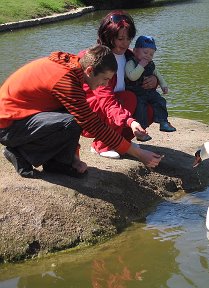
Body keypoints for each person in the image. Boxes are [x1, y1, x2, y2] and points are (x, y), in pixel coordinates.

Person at [0, 45, 162, 178]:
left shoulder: (76, 66)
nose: (105, 85)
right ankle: (21, 153)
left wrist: (74, 158)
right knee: (73, 121)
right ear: (90, 70)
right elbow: (92, 124)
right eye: (105, 79)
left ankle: (58, 162)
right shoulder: (66, 80)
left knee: (73, 118)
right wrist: (139, 154)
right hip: (8, 126)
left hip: (24, 117)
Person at [80, 10, 158, 159]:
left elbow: (147, 72)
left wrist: (153, 82)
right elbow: (106, 101)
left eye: (129, 38)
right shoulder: (97, 59)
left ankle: (121, 142)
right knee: (129, 98)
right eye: (120, 38)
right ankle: (101, 145)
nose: (125, 43)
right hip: (92, 114)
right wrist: (129, 120)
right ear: (108, 37)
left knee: (149, 108)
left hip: (117, 109)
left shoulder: (130, 55)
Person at [125, 35, 176, 133]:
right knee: (141, 106)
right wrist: (141, 66)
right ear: (135, 51)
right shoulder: (131, 63)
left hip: (149, 92)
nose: (148, 56)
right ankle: (141, 128)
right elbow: (132, 77)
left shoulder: (150, 64)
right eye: (145, 52)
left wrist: (163, 85)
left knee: (160, 101)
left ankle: (163, 121)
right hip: (136, 92)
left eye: (151, 54)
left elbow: (157, 74)